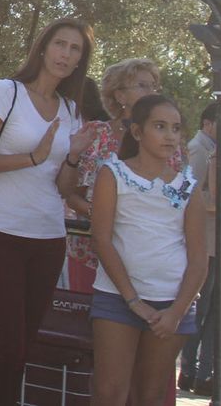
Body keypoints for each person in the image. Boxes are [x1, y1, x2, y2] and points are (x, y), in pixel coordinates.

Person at [0, 17, 92, 406]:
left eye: (75, 49)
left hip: (49, 236)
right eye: (60, 44)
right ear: (43, 47)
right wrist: (32, 156)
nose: (65, 55)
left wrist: (72, 156)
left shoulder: (71, 109)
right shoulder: (6, 92)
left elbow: (64, 188)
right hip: (2, 232)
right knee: (8, 345)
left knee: (26, 346)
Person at [87, 94, 205, 406]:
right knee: (109, 393)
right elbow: (102, 239)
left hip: (172, 305)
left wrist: (177, 312)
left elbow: (198, 258)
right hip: (117, 299)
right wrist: (133, 300)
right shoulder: (113, 174)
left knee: (151, 396)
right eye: (160, 126)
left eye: (176, 128)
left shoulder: (186, 186)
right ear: (137, 132)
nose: (170, 136)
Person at [58, 58, 170, 291]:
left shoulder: (168, 139)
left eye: (154, 86)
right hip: (91, 252)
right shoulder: (97, 134)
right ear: (119, 96)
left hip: (148, 255)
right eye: (143, 85)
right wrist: (101, 216)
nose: (152, 92)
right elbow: (71, 194)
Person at [179, 101, 220, 396]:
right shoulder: (199, 149)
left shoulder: (216, 150)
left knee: (213, 313)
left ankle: (203, 374)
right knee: (199, 311)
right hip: (203, 243)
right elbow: (189, 195)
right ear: (208, 123)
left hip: (217, 244)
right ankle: (190, 372)